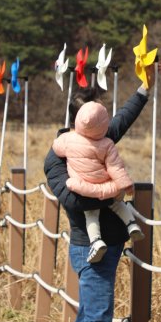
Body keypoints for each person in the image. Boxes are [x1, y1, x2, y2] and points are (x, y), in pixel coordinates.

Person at [44, 64, 156, 322]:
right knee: (97, 320)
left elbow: (123, 118)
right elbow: (73, 200)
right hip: (90, 247)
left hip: (111, 242)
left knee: (88, 317)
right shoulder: (57, 157)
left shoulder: (98, 138)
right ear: (80, 122)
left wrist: (146, 86)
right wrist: (113, 192)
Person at [52, 101, 144, 263]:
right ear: (104, 125)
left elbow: (56, 147)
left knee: (91, 214)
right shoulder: (107, 144)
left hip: (84, 186)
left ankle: (96, 241)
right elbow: (116, 167)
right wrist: (125, 184)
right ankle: (131, 225)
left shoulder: (68, 139)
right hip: (104, 183)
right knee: (118, 203)